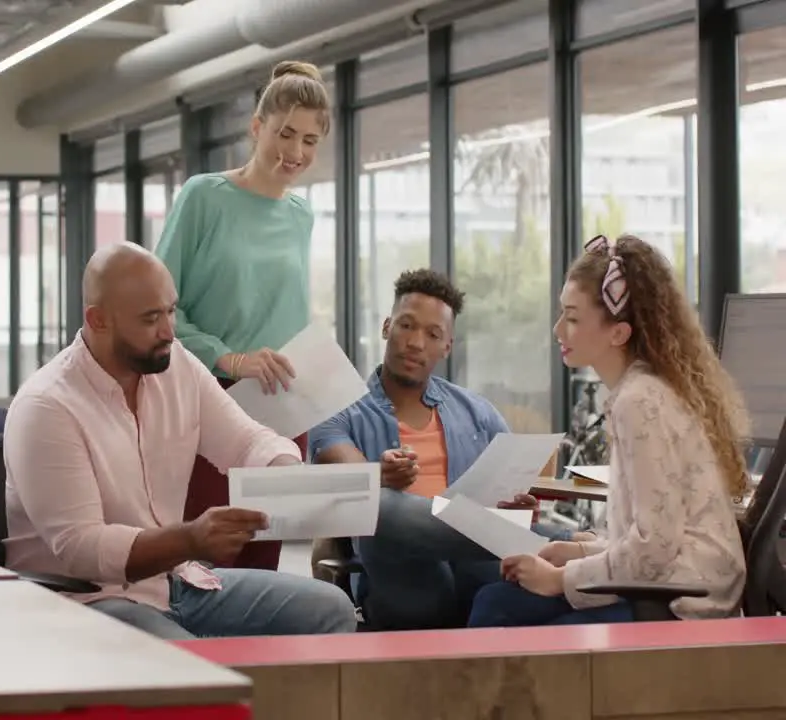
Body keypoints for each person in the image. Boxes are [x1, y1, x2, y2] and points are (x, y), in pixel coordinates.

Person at [3, 243, 357, 640]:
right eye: (151, 318)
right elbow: (82, 548)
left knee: (330, 610)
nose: (169, 331)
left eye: (171, 311)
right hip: (89, 600)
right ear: (98, 320)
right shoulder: (47, 406)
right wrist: (187, 539)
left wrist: (287, 474)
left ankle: (281, 706)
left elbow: (245, 439)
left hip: (177, 583)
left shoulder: (177, 366)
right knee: (196, 667)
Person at [467, 235, 749, 627]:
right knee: (497, 600)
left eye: (573, 318)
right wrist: (580, 553)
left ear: (618, 333)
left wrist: (559, 580)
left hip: (679, 602)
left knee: (498, 608)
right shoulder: (642, 392)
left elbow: (654, 548)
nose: (557, 330)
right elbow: (653, 541)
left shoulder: (640, 403)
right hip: (675, 584)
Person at [309, 269, 587, 630]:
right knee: (378, 505)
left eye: (433, 334)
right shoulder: (338, 411)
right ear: (386, 327)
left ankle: (567, 548)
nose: (416, 342)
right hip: (405, 581)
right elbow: (349, 483)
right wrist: (379, 474)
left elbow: (511, 496)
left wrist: (519, 512)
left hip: (483, 571)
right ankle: (570, 543)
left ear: (447, 346)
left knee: (497, 546)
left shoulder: (478, 413)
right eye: (406, 326)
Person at [154, 60, 331, 572]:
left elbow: (286, 311)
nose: (295, 152)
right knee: (205, 557)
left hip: (281, 409)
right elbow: (161, 313)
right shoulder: (203, 197)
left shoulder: (301, 215)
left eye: (310, 141)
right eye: (285, 133)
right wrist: (231, 359)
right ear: (257, 128)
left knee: (262, 558)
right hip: (211, 402)